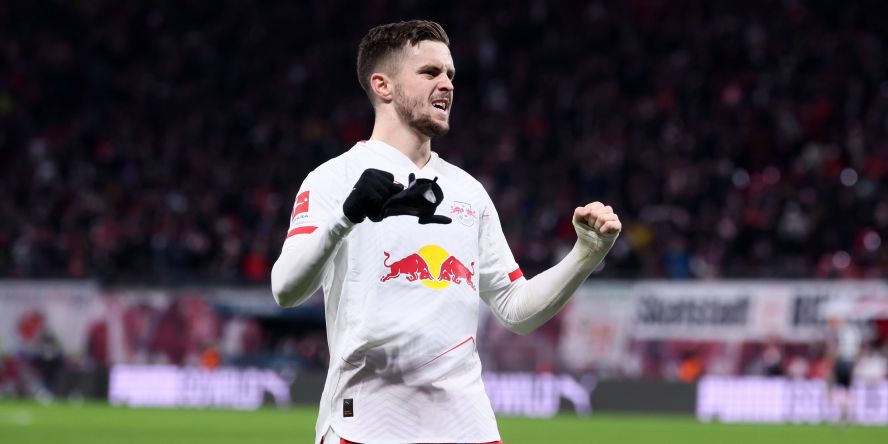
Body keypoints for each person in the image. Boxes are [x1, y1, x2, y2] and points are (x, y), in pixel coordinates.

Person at [271, 20, 621, 444]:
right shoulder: (333, 179)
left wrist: (586, 253)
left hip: (466, 426)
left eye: (450, 74)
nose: (447, 84)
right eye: (430, 72)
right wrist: (345, 216)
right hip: (365, 425)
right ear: (383, 86)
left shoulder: (468, 191)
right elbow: (285, 290)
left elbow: (516, 308)